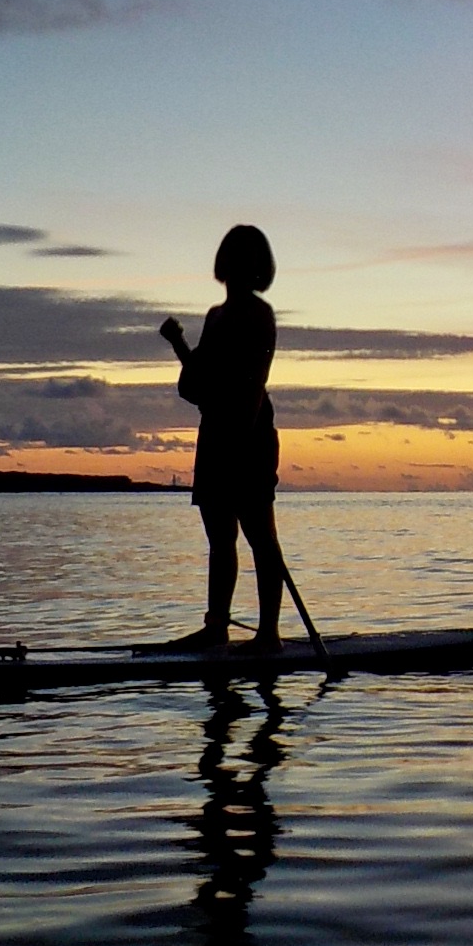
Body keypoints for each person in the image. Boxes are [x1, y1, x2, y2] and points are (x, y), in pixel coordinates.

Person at [160, 225, 285, 652]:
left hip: (247, 438)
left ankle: (269, 635)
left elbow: (254, 384)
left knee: (261, 538)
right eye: (234, 254)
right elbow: (196, 382)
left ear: (258, 266)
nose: (238, 263)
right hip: (215, 433)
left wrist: (239, 444)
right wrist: (179, 343)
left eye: (247, 256)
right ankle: (217, 627)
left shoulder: (259, 316)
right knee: (220, 539)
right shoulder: (216, 316)